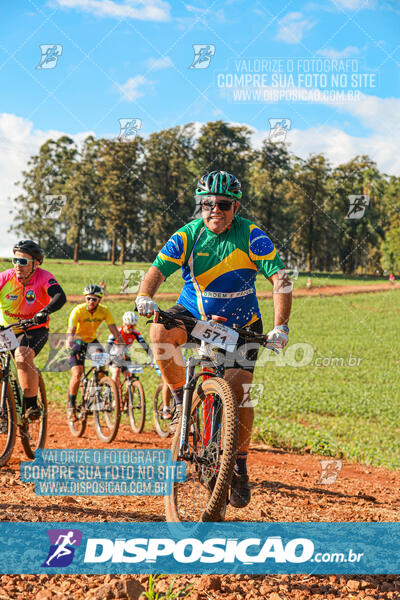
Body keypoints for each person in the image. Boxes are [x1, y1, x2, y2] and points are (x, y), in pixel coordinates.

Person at [135, 170, 292, 509]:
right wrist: (145, 296)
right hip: (194, 314)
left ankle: (239, 464)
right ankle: (180, 398)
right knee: (160, 331)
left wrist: (282, 326)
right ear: (200, 205)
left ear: (235, 206)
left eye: (223, 204)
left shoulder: (251, 235)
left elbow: (280, 279)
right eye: (207, 203)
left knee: (240, 390)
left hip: (242, 323)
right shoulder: (188, 235)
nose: (214, 210)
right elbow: (157, 270)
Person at [0, 240, 66, 420]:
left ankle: (30, 405)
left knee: (22, 355)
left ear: (35, 263)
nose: (17, 265)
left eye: (23, 261)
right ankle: (5, 410)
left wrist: (44, 311)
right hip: (7, 330)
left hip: (34, 328)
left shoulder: (44, 277)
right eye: (15, 260)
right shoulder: (5, 277)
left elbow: (59, 296)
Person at [66, 285, 124, 413]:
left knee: (101, 366)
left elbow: (114, 330)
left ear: (100, 300)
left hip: (91, 341)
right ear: (85, 298)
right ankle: (71, 402)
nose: (91, 301)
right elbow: (71, 330)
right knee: (77, 373)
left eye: (94, 299)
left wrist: (122, 345)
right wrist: (69, 341)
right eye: (88, 298)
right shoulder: (78, 310)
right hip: (77, 341)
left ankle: (95, 395)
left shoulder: (104, 311)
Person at [105, 311, 160, 389]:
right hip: (113, 357)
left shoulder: (135, 333)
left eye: (133, 326)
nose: (130, 328)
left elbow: (145, 347)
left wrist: (152, 359)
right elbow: (108, 346)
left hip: (126, 357)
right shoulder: (117, 332)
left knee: (130, 376)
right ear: (124, 324)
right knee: (116, 372)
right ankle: (115, 397)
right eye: (129, 326)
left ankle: (128, 398)